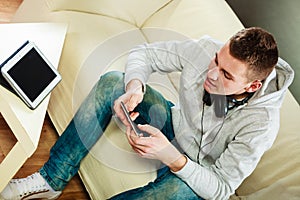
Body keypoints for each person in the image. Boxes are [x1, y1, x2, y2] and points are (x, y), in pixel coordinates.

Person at [1, 27, 294, 200]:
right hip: (174, 126)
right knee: (113, 81)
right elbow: (145, 53)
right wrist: (135, 87)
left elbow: (220, 189)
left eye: (227, 75)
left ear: (253, 85)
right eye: (216, 61)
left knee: (176, 194)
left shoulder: (261, 124)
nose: (212, 75)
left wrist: (171, 157)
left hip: (199, 173)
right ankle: (51, 179)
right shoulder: (206, 51)